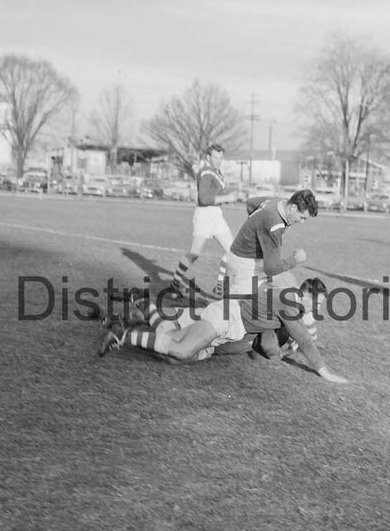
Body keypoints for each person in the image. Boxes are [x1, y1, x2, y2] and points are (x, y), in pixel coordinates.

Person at [98, 274, 347, 383]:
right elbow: (304, 339)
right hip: (227, 317)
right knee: (182, 350)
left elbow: (302, 336)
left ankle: (139, 310)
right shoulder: (290, 303)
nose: (317, 308)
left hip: (229, 326)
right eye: (317, 303)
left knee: (169, 346)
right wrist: (325, 373)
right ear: (306, 295)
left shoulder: (292, 301)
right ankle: (124, 334)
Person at [169, 144, 236, 300]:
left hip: (216, 215)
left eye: (221, 157)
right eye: (215, 157)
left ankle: (219, 287)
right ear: (208, 157)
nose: (218, 160)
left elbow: (212, 193)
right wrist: (227, 197)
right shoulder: (206, 172)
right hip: (204, 215)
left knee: (233, 251)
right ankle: (174, 284)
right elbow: (203, 199)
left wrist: (227, 197)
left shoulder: (215, 172)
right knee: (194, 254)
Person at [224, 189, 318, 298]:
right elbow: (271, 268)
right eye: (302, 217)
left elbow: (251, 203)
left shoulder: (280, 202)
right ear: (293, 208)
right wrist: (295, 260)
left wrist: (256, 227)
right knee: (234, 306)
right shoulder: (274, 225)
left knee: (291, 288)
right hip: (244, 263)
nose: (302, 222)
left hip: (248, 257)